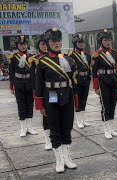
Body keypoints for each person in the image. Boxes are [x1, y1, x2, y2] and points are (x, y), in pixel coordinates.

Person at [34, 28, 78, 173]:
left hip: (67, 95)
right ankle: (59, 160)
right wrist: (40, 104)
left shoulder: (69, 59)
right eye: (53, 41)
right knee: (55, 127)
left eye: (59, 40)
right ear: (47, 43)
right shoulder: (42, 62)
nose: (57, 43)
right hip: (51, 95)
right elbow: (39, 85)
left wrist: (76, 99)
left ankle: (66, 158)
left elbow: (74, 81)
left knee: (67, 127)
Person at [91, 29, 117, 139]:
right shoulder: (97, 55)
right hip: (103, 81)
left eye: (109, 40)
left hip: (114, 80)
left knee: (113, 104)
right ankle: (106, 130)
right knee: (105, 105)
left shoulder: (115, 53)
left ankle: (111, 128)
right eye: (105, 40)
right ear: (101, 41)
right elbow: (94, 72)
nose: (108, 42)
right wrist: (96, 87)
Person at [9, 35, 38, 137]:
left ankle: (29, 127)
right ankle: (23, 128)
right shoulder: (13, 58)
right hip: (19, 84)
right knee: (21, 106)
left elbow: (33, 74)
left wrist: (34, 86)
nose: (23, 46)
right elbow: (11, 73)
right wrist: (12, 87)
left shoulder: (31, 57)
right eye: (21, 44)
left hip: (29, 83)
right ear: (17, 45)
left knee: (30, 105)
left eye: (25, 44)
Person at [29, 33, 52, 150]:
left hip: (53, 92)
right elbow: (34, 79)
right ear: (39, 46)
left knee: (55, 112)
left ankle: (55, 137)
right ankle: (47, 139)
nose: (45, 46)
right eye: (43, 44)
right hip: (43, 92)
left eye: (46, 43)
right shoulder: (35, 60)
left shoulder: (56, 58)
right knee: (46, 114)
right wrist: (36, 94)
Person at [68, 34, 91, 128]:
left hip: (86, 79)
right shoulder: (71, 55)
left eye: (82, 42)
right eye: (79, 42)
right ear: (75, 43)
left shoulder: (87, 55)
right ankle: (78, 120)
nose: (81, 44)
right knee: (77, 99)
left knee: (84, 99)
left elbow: (89, 68)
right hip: (77, 79)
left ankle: (83, 119)